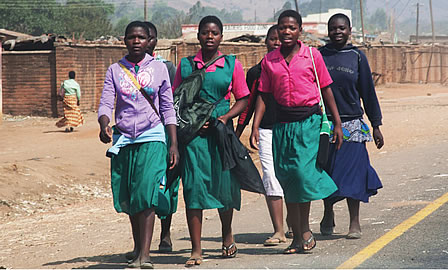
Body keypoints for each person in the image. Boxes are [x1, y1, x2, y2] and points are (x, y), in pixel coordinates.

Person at [250, 9, 343, 254]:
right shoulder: (269, 61)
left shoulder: (312, 56)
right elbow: (264, 95)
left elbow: (326, 89)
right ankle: (297, 237)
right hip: (282, 126)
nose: (287, 32)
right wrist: (255, 125)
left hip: (309, 124)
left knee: (302, 175)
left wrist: (338, 123)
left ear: (300, 30)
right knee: (288, 178)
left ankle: (303, 230)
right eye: (283, 27)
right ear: (277, 30)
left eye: (292, 27)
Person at [97, 21, 179, 269]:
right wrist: (103, 124)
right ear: (124, 40)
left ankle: (146, 254)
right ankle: (137, 249)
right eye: (131, 37)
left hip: (152, 136)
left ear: (149, 41)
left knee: (146, 192)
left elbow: (167, 108)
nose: (136, 41)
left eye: (141, 38)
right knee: (130, 196)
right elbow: (105, 103)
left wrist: (173, 144)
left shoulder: (160, 69)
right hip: (123, 139)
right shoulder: (115, 70)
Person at [171, 15, 249, 267]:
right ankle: (196, 248)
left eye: (214, 33)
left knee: (223, 184)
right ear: (198, 36)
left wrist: (224, 118)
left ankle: (227, 235)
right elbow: (175, 101)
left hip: (220, 132)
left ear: (221, 36)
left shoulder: (231, 64)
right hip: (192, 137)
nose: (209, 37)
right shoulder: (185, 66)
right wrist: (188, 123)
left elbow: (243, 98)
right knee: (193, 187)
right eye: (205, 32)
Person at [319, 13, 384, 239]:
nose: (337, 32)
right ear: (327, 31)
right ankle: (328, 212)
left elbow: (368, 92)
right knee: (326, 172)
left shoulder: (357, 57)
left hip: (352, 123)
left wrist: (376, 125)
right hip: (324, 124)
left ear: (349, 30)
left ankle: (354, 222)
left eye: (342, 28)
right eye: (333, 28)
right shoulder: (319, 56)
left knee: (354, 173)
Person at [235, 24, 292, 246]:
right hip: (266, 130)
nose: (277, 42)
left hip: (292, 128)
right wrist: (239, 131)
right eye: (272, 39)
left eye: (279, 38)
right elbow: (248, 104)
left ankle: (295, 225)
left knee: (292, 175)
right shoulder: (256, 72)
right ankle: (278, 230)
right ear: (266, 41)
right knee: (270, 175)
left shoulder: (295, 67)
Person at [143, 21, 178, 253]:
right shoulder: (123, 69)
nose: (144, 41)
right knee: (141, 186)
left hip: (163, 132)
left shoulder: (166, 67)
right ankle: (141, 244)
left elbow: (172, 104)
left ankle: (165, 234)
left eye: (150, 37)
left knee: (167, 183)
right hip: (137, 135)